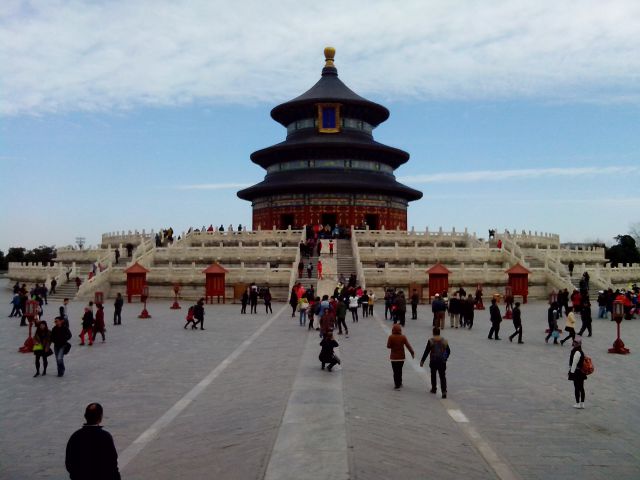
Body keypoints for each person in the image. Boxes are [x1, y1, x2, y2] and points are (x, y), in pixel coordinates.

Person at [65, 403, 121, 479]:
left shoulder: (75, 436)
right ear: (100, 418)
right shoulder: (105, 437)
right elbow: (112, 464)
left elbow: (69, 463)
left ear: (85, 416)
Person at [420, 327, 451, 398]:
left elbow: (426, 351)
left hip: (433, 361)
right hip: (442, 361)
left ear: (433, 332)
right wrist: (445, 358)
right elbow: (448, 351)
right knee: (442, 376)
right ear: (439, 332)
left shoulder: (431, 341)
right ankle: (444, 391)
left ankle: (434, 388)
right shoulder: (444, 341)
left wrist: (422, 361)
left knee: (433, 375)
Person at [386, 324, 415, 389]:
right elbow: (408, 346)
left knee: (395, 371)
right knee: (400, 370)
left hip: (393, 358)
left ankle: (397, 384)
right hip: (401, 357)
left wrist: (393, 345)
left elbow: (388, 346)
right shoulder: (403, 337)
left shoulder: (391, 337)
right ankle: (400, 382)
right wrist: (412, 353)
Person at [568, 337, 587, 409]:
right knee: (581, 387)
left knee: (577, 388)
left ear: (577, 344)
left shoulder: (576, 352)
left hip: (576, 372)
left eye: (574, 342)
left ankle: (577, 403)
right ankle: (582, 403)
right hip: (581, 372)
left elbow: (574, 363)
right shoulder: (581, 351)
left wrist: (571, 372)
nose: (573, 343)